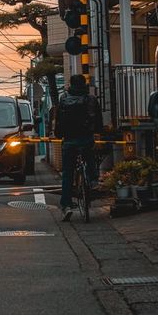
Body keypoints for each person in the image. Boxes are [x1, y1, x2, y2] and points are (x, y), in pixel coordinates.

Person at [55, 74, 103, 221]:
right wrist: (98, 132)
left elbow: (59, 121)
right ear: (84, 83)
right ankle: (93, 180)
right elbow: (98, 120)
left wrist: (59, 134)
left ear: (71, 84)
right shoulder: (91, 99)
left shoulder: (64, 99)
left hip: (69, 140)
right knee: (89, 156)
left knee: (68, 173)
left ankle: (66, 205)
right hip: (86, 138)